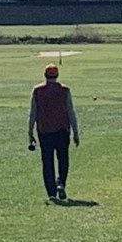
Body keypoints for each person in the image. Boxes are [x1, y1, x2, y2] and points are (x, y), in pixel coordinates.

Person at [28, 63, 80, 203]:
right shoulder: (64, 90)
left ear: (45, 75)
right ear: (57, 75)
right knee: (63, 159)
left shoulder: (37, 91)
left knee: (47, 161)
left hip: (44, 131)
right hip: (62, 130)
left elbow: (33, 113)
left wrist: (30, 132)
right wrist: (75, 132)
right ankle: (60, 183)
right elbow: (71, 112)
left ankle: (51, 192)